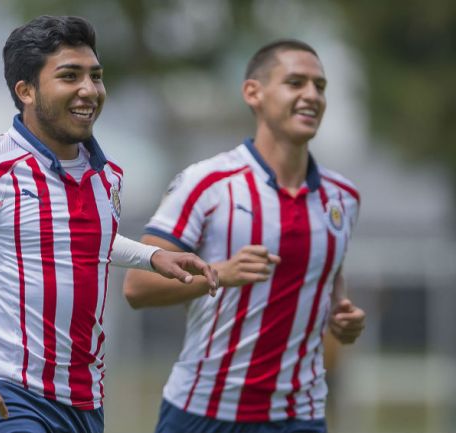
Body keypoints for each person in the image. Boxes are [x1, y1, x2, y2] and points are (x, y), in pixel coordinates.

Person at [0, 15, 218, 433]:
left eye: (96, 76)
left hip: (84, 403)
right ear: (26, 91)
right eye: (70, 76)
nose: (89, 90)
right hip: (5, 396)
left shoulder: (106, 176)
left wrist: (152, 256)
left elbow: (77, 240)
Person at [122, 39, 366, 433]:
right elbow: (137, 286)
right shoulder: (207, 183)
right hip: (204, 412)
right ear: (254, 92)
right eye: (295, 83)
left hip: (300, 415)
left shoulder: (343, 197)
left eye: (319, 86)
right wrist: (222, 273)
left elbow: (328, 276)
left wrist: (343, 315)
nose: (311, 95)